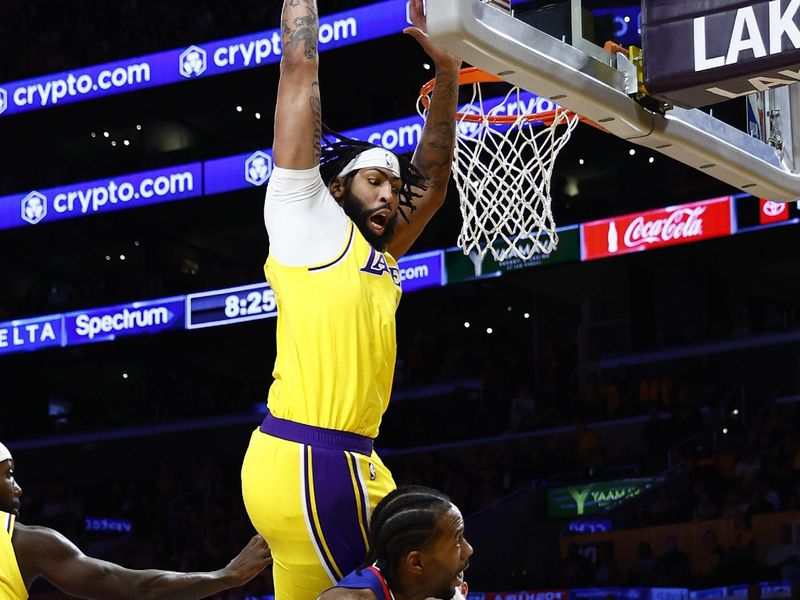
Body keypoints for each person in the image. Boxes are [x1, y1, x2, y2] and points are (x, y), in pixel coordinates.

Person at [240, 0, 461, 597]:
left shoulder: (378, 256)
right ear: (337, 187)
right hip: (312, 455)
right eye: (375, 179)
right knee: (394, 587)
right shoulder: (304, 217)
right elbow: (298, 75)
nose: (390, 190)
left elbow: (434, 181)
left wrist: (447, 73)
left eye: (394, 181)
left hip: (343, 458)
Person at [0, 442, 271, 600]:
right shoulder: (23, 543)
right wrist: (224, 577)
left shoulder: (25, 543)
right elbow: (138, 588)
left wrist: (223, 577)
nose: (18, 487)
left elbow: (136, 586)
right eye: (9, 475)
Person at [317, 486, 473, 600]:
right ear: (417, 563)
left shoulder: (439, 588)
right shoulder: (350, 598)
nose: (469, 550)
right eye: (457, 542)